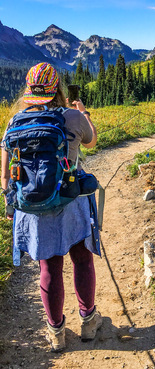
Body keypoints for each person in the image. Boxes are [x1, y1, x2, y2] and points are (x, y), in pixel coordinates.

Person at [1, 63, 102, 352]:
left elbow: (6, 174)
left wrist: (10, 205)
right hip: (71, 201)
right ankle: (89, 320)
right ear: (56, 89)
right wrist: (84, 114)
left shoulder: (14, 123)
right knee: (82, 259)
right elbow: (92, 140)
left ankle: (56, 331)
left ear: (29, 91)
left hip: (32, 206)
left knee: (49, 266)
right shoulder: (70, 116)